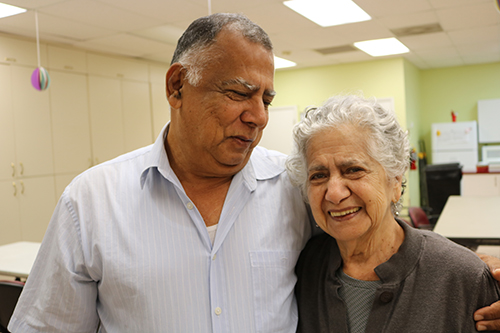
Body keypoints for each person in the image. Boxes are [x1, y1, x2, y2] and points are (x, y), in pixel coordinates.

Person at [7, 13, 500, 333]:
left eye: (266, 99)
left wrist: (479, 278)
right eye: (240, 93)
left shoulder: (289, 186)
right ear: (178, 85)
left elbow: (376, 237)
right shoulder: (91, 202)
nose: (259, 116)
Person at [287, 94, 500, 332]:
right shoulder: (305, 266)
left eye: (353, 170)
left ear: (395, 182)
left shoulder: (461, 278)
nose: (334, 193)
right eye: (318, 176)